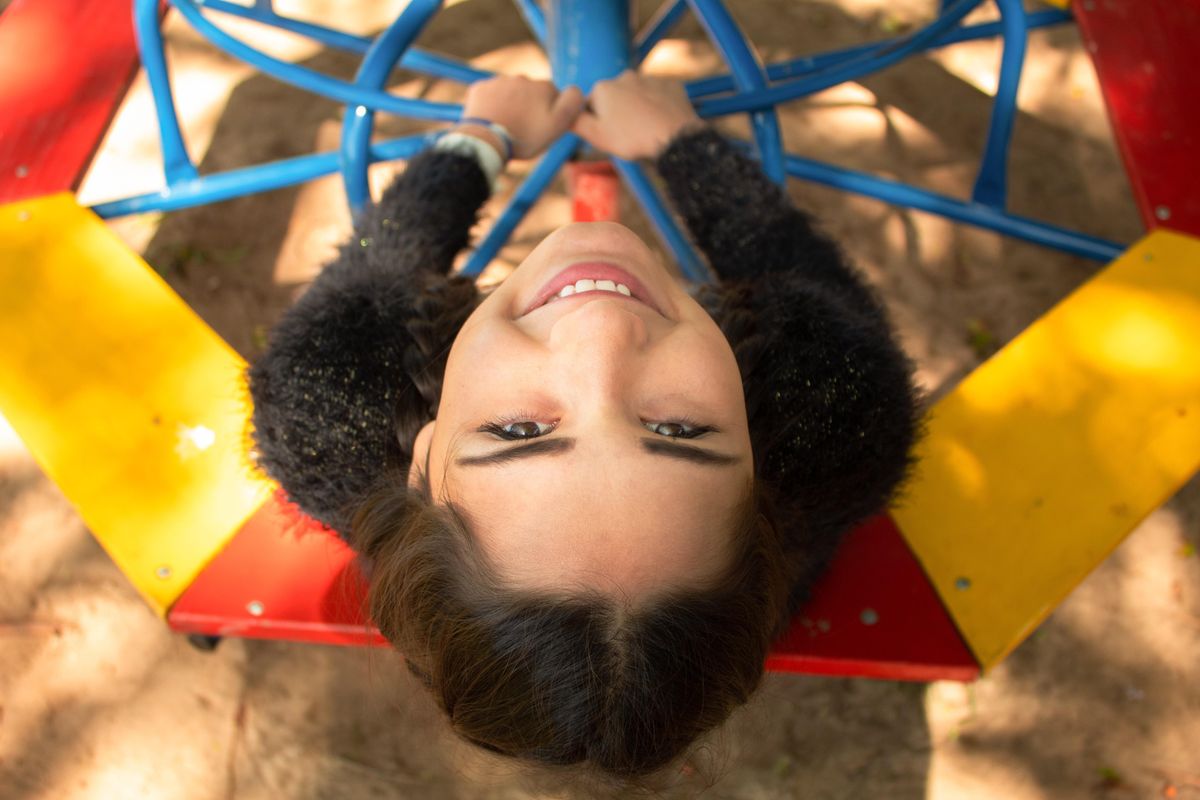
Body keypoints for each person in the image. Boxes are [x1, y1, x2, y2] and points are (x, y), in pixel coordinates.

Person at [247, 70, 920, 783]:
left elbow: (373, 269)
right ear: (764, 477)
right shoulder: (838, 416)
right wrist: (683, 145)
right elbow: (802, 276)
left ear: (421, 463)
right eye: (681, 430)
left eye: (515, 432)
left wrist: (479, 139)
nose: (600, 331)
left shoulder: (328, 400)